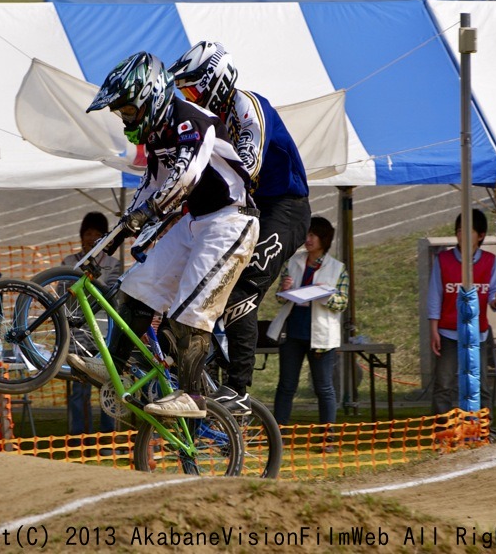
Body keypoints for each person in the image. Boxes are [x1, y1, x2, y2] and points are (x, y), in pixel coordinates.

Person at [68, 51, 259, 418]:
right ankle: (116, 366)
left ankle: (193, 397)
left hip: (230, 220)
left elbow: (184, 177)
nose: (125, 121)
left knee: (190, 311)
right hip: (194, 222)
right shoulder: (157, 135)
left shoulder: (193, 120)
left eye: (127, 111)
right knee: (136, 288)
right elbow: (150, 185)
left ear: (150, 97)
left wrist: (147, 214)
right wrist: (118, 237)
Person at [168, 41, 311, 415]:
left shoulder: (247, 105)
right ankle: (203, 370)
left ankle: (239, 389)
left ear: (216, 79)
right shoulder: (209, 119)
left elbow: (249, 165)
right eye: (183, 91)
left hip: (283, 209)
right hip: (245, 210)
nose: (189, 97)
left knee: (240, 288)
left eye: (193, 88)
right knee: (199, 285)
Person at [427, 208, 496, 416]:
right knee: (444, 384)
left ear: (480, 236)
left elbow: (493, 298)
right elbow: (435, 295)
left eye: (467, 231)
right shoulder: (443, 260)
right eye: (458, 231)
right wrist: (434, 329)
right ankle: (443, 430)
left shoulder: (490, 261)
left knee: (480, 385)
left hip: (478, 334)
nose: (461, 235)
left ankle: (483, 429)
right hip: (448, 332)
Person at [269, 216, 349, 429]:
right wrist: (284, 290)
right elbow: (279, 298)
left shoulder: (337, 268)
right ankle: (278, 432)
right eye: (307, 234)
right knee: (286, 385)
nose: (308, 239)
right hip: (293, 333)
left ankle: (327, 435)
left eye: (313, 234)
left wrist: (325, 295)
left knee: (323, 387)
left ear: (324, 239)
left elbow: (342, 302)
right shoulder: (292, 262)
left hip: (321, 335)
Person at [61, 211, 122, 437]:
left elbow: (112, 294)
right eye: (88, 233)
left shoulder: (114, 264)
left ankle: (108, 436)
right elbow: (62, 293)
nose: (91, 238)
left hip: (105, 334)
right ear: (81, 235)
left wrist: (91, 280)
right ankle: (78, 435)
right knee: (79, 389)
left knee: (108, 386)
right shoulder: (69, 262)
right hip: (77, 335)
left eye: (97, 234)